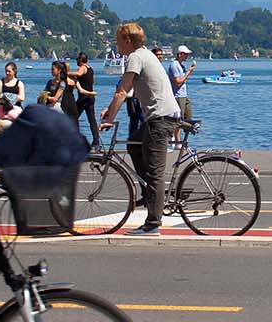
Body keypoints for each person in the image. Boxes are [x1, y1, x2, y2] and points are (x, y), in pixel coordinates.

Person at [97, 22, 181, 236]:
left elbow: (123, 90)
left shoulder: (135, 56)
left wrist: (109, 118)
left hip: (159, 119)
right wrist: (110, 109)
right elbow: (130, 87)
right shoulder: (145, 55)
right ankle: (148, 192)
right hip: (161, 116)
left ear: (127, 41)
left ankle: (153, 223)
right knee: (134, 146)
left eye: (117, 41)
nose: (116, 46)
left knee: (155, 173)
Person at [68, 52, 100, 146]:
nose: (76, 61)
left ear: (81, 60)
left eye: (77, 59)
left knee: (73, 117)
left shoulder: (83, 68)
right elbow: (92, 81)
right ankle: (96, 140)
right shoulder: (91, 69)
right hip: (90, 97)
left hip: (84, 97)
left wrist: (66, 73)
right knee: (92, 120)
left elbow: (78, 73)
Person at [167, 45, 194, 123]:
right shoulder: (174, 65)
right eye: (185, 54)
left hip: (183, 95)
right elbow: (178, 82)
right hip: (178, 96)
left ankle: (185, 132)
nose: (187, 56)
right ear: (180, 54)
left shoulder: (181, 66)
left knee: (188, 118)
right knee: (178, 120)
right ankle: (176, 135)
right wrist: (188, 72)